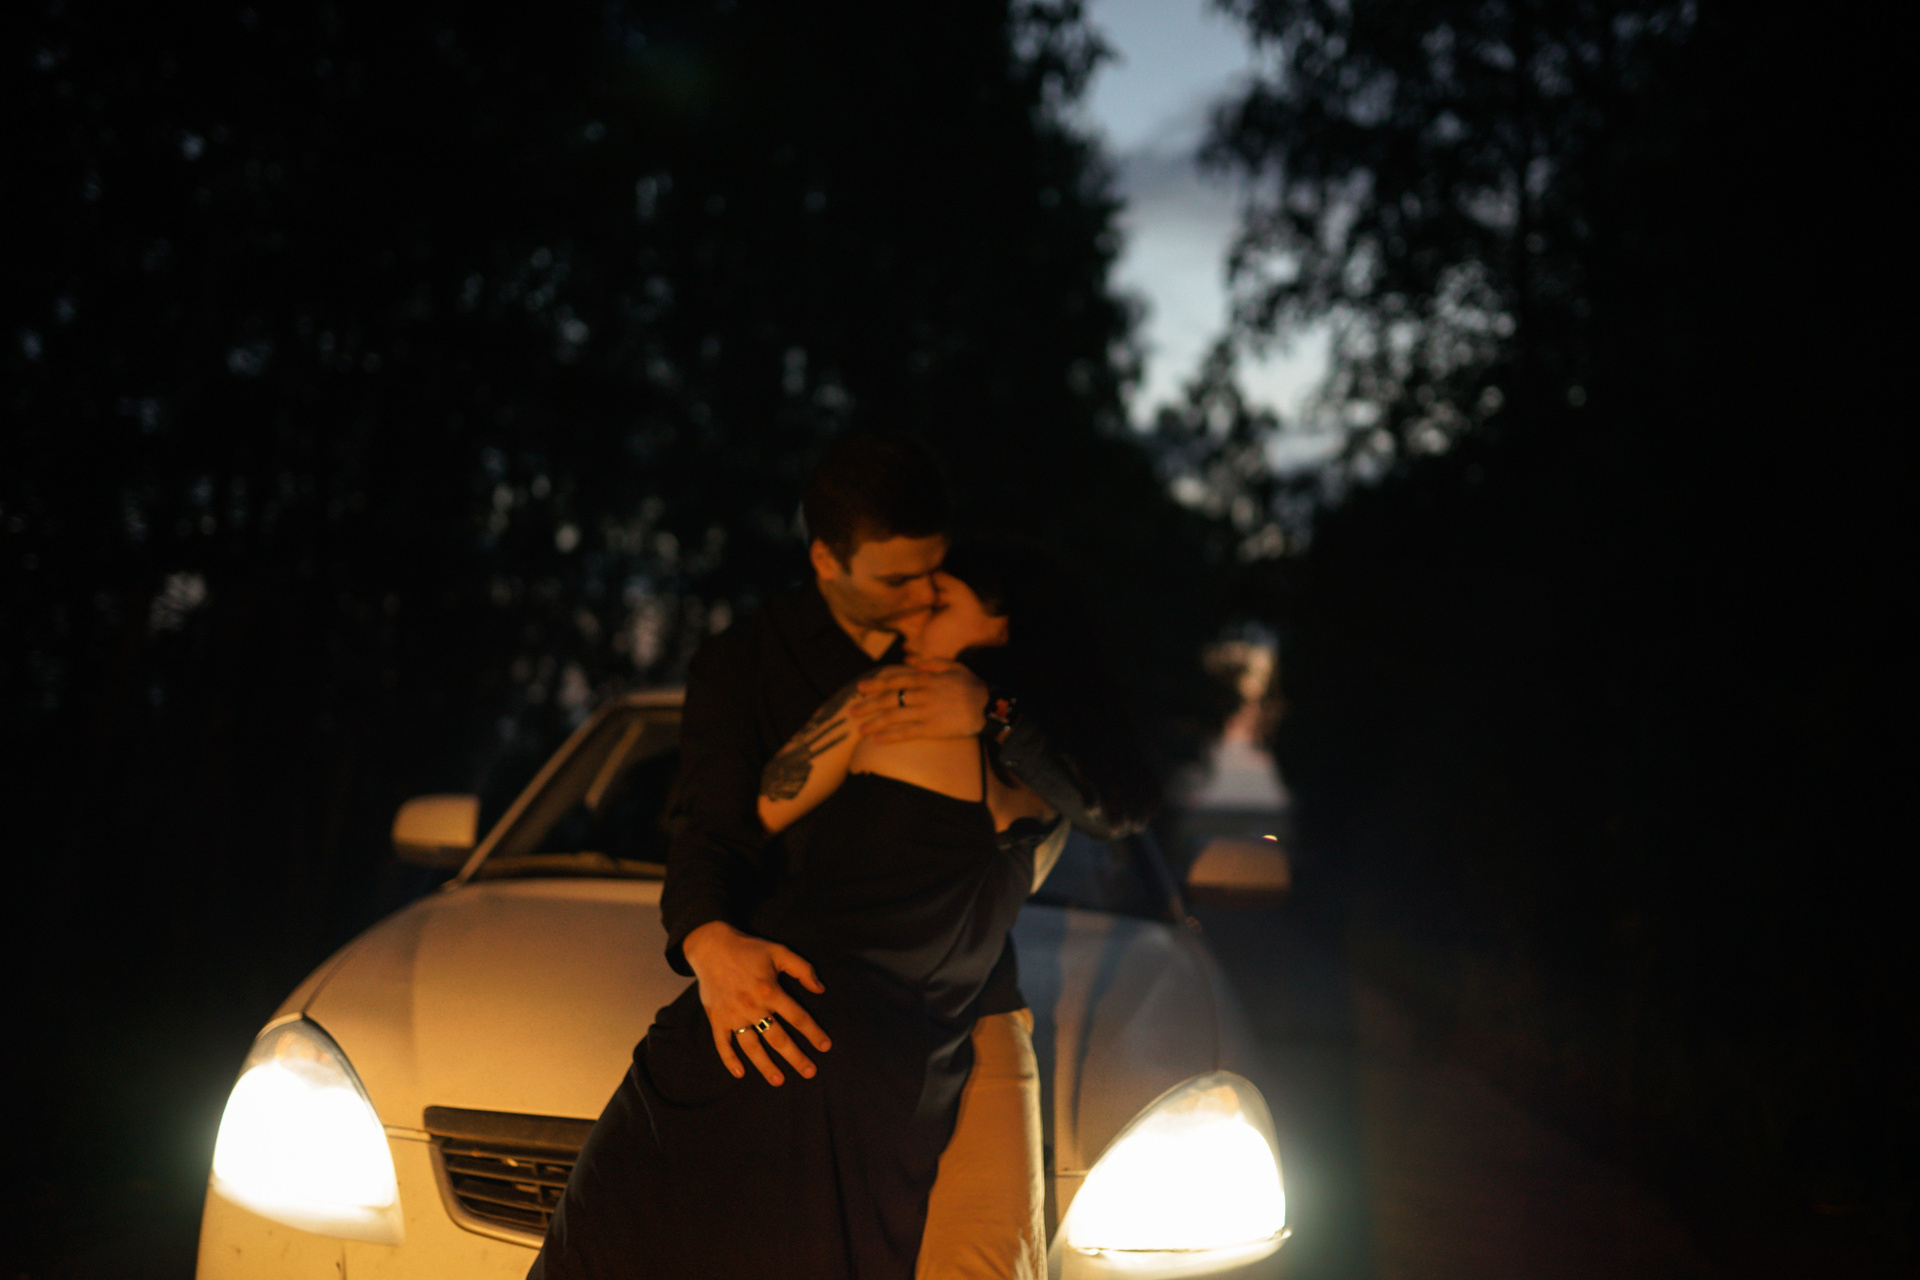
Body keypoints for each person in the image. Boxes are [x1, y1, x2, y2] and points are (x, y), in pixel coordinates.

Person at [529, 434, 1153, 1279]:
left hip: (955, 1014)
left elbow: (1115, 802)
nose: (919, 598)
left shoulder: (989, 695)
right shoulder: (750, 666)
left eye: (936, 577)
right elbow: (715, 825)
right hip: (788, 998)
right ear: (828, 560)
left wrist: (992, 707)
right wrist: (710, 943)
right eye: (899, 583)